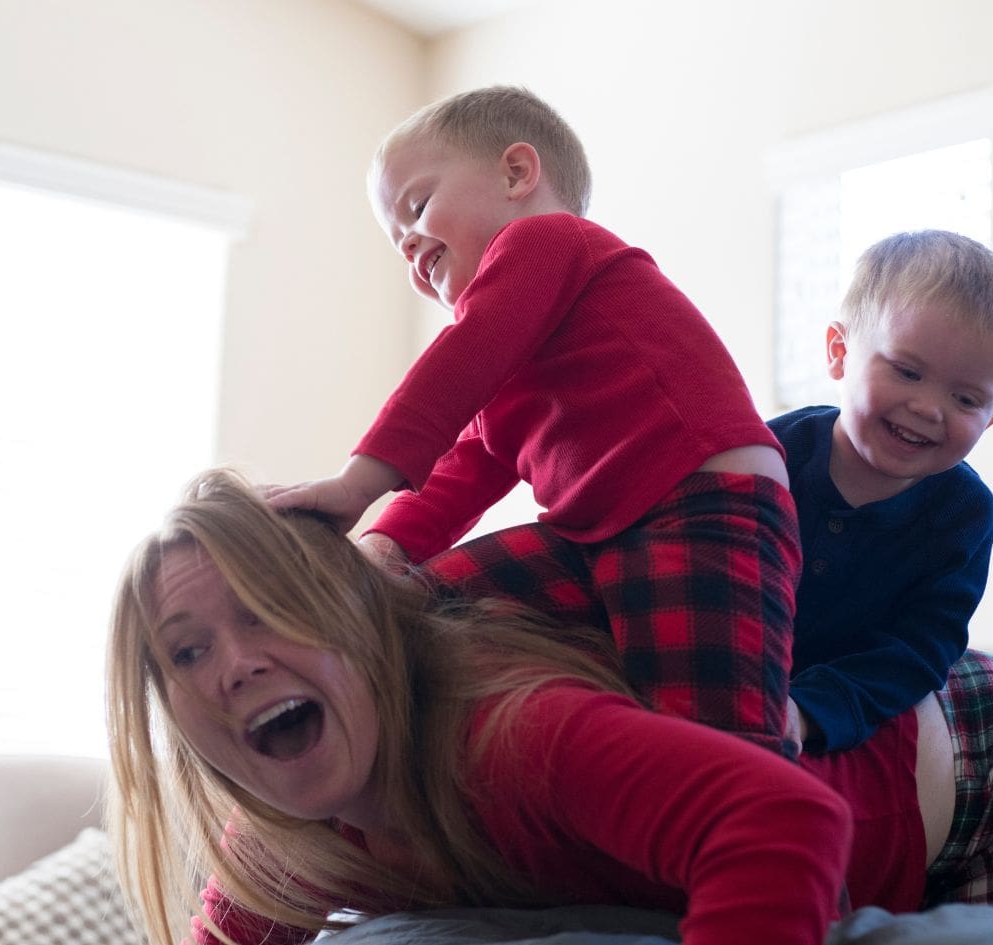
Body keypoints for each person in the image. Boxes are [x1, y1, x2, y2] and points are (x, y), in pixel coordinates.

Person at [107, 471, 993, 945]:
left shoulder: (507, 735)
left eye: (268, 616)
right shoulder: (282, 833)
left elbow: (780, 818)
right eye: (186, 653)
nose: (232, 667)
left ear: (350, 613)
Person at [264, 85, 798, 753]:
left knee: (717, 749)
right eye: (394, 240)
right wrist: (383, 550)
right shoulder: (514, 339)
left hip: (701, 508)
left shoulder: (550, 242)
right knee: (419, 611)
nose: (407, 246)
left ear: (517, 173)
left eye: (417, 206)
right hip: (591, 534)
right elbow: (469, 458)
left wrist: (356, 483)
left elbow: (459, 362)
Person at [770, 230, 993, 753]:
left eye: (965, 399)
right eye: (907, 371)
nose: (927, 408)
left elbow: (919, 650)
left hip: (855, 712)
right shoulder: (770, 455)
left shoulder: (963, 515)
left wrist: (809, 711)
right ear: (839, 352)